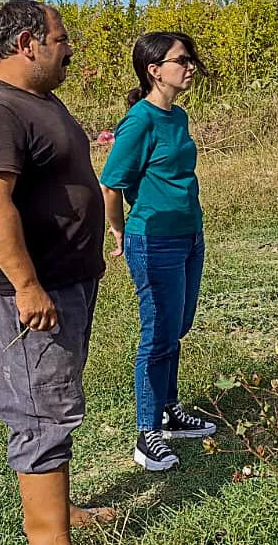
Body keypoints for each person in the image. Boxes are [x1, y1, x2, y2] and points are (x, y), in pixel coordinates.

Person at [0, 0, 114, 544]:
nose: (69, 49)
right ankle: (48, 535)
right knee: (39, 415)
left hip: (66, 283)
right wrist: (26, 286)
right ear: (28, 44)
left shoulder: (39, 99)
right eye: (61, 39)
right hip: (28, 294)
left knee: (55, 398)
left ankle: (60, 509)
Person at [100, 32, 216, 472]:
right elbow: (111, 183)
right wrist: (117, 230)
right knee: (158, 334)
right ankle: (147, 432)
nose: (189, 67)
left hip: (188, 236)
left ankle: (169, 412)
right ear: (154, 70)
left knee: (177, 325)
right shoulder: (140, 121)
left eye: (189, 59)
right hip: (152, 240)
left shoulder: (178, 116)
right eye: (180, 60)